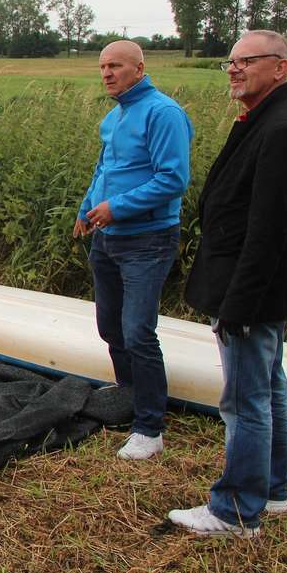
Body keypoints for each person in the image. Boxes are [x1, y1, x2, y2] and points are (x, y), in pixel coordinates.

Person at [169, 29, 287, 538]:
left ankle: (235, 510)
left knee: (244, 399)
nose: (234, 69)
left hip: (251, 291)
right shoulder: (270, 118)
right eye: (230, 63)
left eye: (246, 61)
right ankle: (273, 490)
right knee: (269, 388)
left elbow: (269, 228)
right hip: (256, 288)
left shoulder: (282, 128)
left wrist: (241, 304)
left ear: (279, 67)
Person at [74, 40, 193, 460]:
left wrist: (116, 208)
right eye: (103, 66)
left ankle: (150, 428)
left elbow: (173, 179)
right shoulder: (115, 115)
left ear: (139, 68)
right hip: (107, 237)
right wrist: (86, 208)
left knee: (138, 330)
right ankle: (129, 395)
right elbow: (105, 168)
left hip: (147, 239)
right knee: (110, 325)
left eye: (116, 66)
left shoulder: (163, 113)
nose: (107, 73)